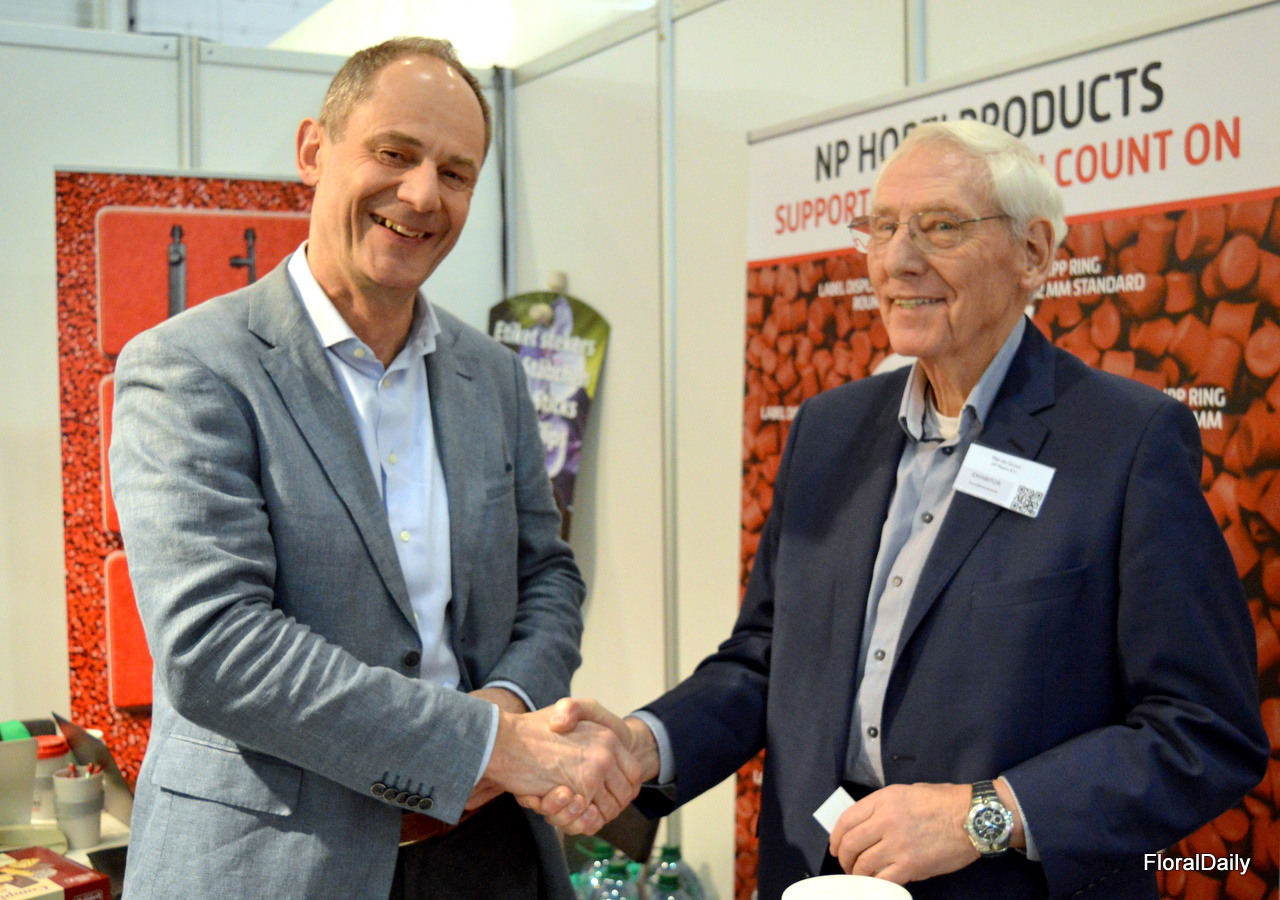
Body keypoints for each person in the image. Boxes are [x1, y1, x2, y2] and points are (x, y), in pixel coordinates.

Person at [537, 121, 1268, 898]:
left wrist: (983, 815)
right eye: (882, 228)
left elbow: (1203, 732)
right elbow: (768, 656)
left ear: (1033, 254)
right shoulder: (829, 430)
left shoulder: (1126, 442)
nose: (897, 260)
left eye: (941, 227)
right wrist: (646, 744)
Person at [110, 37, 638, 900]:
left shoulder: (491, 375)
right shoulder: (191, 367)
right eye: (394, 153)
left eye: (456, 173)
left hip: (484, 855)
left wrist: (507, 707)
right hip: (275, 863)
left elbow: (547, 575)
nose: (423, 195)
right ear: (313, 150)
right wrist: (483, 745)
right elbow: (216, 647)